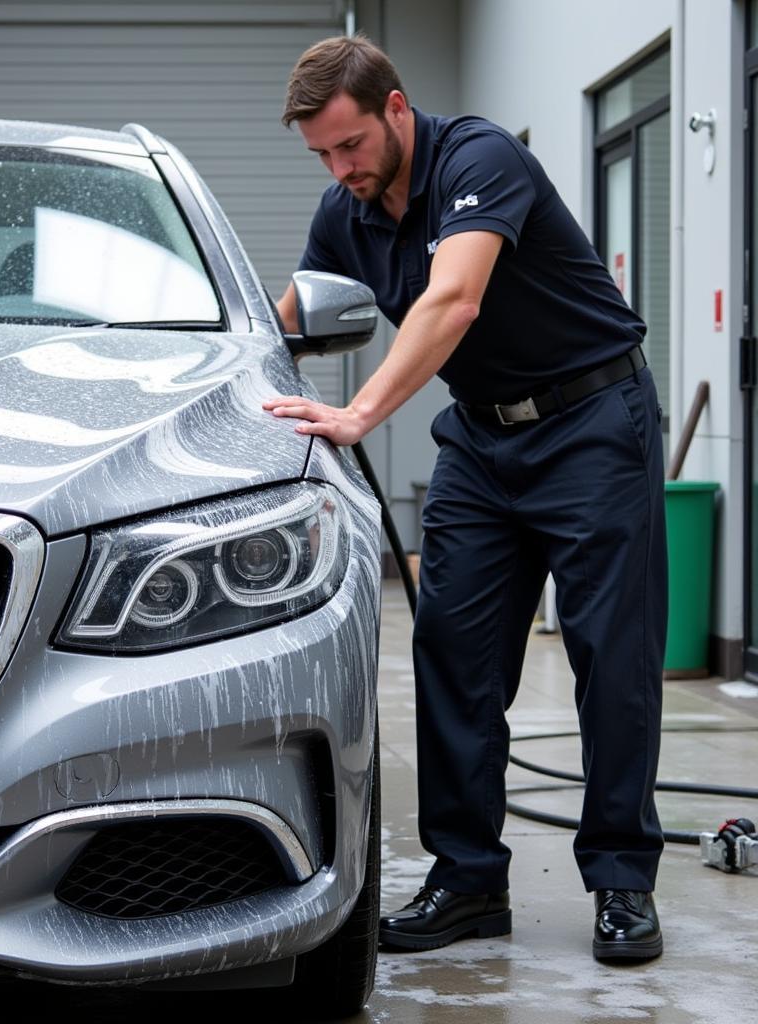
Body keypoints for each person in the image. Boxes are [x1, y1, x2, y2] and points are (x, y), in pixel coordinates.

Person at [264, 35, 666, 962]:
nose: (341, 168)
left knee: (613, 654)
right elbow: (286, 319)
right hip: (483, 441)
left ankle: (620, 880)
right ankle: (469, 881)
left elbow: (453, 301)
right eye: (322, 154)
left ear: (397, 109)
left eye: (352, 144)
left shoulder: (479, 158)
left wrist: (359, 412)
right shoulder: (347, 210)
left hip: (591, 420)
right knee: (453, 652)